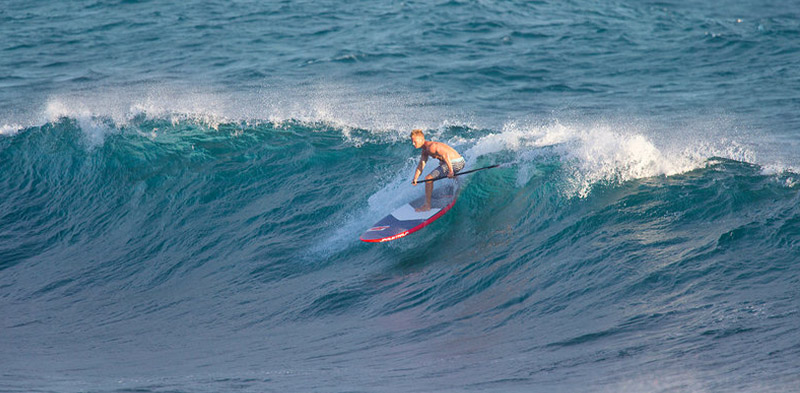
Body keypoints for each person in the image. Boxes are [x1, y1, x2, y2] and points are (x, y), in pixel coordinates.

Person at [410, 129, 465, 212]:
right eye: (412, 142)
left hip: (456, 163)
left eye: (415, 141)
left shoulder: (431, 147)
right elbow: (421, 165)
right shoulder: (425, 151)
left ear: (421, 139)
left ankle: (427, 205)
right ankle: (458, 181)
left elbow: (446, 155)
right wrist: (415, 178)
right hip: (459, 161)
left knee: (428, 178)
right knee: (441, 164)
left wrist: (451, 171)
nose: (413, 144)